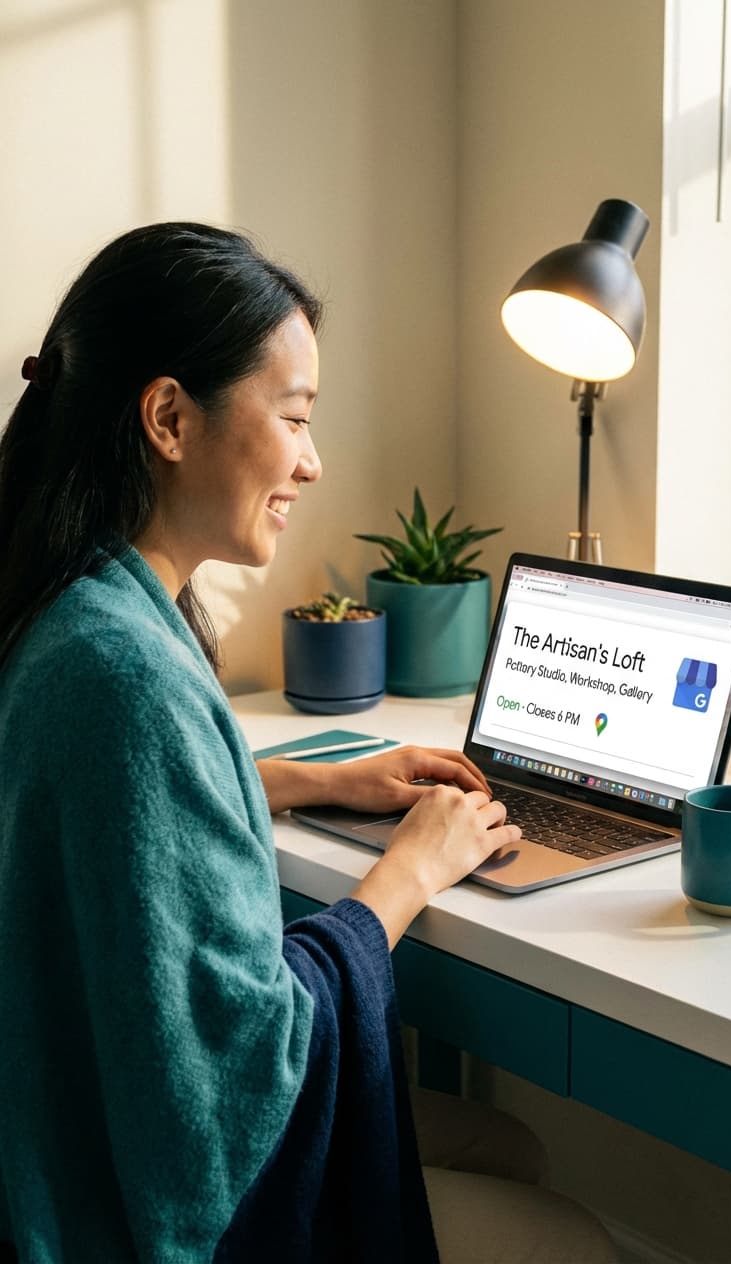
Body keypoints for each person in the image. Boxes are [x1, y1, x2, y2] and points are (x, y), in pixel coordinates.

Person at [0, 223, 616, 1262]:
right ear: (167, 418)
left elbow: (122, 817)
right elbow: (236, 1069)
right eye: (293, 418)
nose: (313, 461)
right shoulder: (124, 674)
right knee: (577, 1240)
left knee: (504, 1140)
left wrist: (298, 779)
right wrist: (409, 873)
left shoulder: (77, 610)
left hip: (62, 1129)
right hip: (134, 1204)